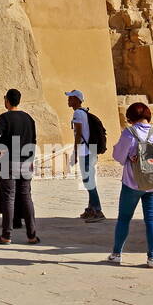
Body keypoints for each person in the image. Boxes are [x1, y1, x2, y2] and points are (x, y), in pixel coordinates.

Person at [108, 101, 153, 267]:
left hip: (132, 182)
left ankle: (117, 253)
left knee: (124, 219)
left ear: (131, 117)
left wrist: (128, 156)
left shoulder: (129, 133)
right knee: (152, 219)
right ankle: (152, 258)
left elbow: (119, 155)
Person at [0, 88, 39, 245]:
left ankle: (6, 235)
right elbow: (34, 140)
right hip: (25, 161)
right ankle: (32, 235)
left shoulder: (5, 118)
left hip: (8, 163)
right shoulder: (28, 118)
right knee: (26, 197)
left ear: (7, 100)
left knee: (8, 198)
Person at [68, 89, 104, 221]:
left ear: (77, 100)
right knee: (89, 180)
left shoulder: (78, 113)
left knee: (88, 181)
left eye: (71, 98)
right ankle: (91, 208)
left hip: (85, 151)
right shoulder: (83, 112)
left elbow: (78, 134)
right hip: (91, 149)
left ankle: (98, 210)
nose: (68, 100)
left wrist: (75, 152)